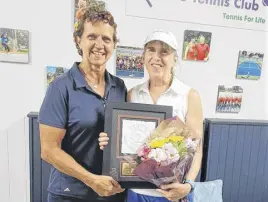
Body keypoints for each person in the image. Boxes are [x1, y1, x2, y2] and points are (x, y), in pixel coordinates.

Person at [99, 30, 204, 202]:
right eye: (151, 50)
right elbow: (124, 139)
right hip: (137, 191)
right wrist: (109, 141)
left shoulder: (189, 95)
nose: (157, 57)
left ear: (174, 59)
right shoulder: (132, 94)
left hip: (172, 193)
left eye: (164, 51)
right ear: (144, 56)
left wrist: (188, 185)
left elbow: (197, 148)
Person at [38, 6, 126, 202]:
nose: (99, 44)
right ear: (79, 40)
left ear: (113, 44)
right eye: (92, 37)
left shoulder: (120, 87)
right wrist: (91, 180)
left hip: (111, 192)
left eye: (106, 39)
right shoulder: (61, 88)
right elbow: (48, 150)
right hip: (70, 194)